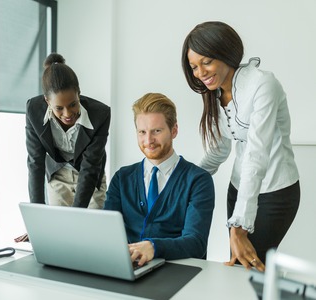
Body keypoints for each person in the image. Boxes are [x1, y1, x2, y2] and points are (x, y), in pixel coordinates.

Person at [181, 21, 300, 272]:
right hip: (238, 189)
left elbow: (257, 154)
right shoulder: (214, 93)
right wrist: (185, 180)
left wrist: (239, 226)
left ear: (225, 53)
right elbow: (219, 150)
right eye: (193, 66)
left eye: (206, 62)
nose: (200, 72)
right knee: (239, 269)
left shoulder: (263, 85)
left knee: (249, 268)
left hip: (275, 191)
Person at [104, 92, 215, 266]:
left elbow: (196, 243)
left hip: (177, 272)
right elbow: (107, 232)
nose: (148, 140)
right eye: (142, 132)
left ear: (174, 130)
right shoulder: (122, 178)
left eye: (156, 131)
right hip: (128, 269)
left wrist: (154, 247)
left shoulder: (198, 180)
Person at [25, 52, 110, 207]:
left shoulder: (100, 114)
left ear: (78, 92)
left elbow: (91, 166)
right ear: (47, 101)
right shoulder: (34, 110)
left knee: (93, 227)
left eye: (73, 104)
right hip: (58, 175)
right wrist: (36, 211)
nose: (67, 114)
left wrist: (77, 213)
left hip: (90, 175)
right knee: (60, 228)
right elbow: (35, 162)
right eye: (59, 108)